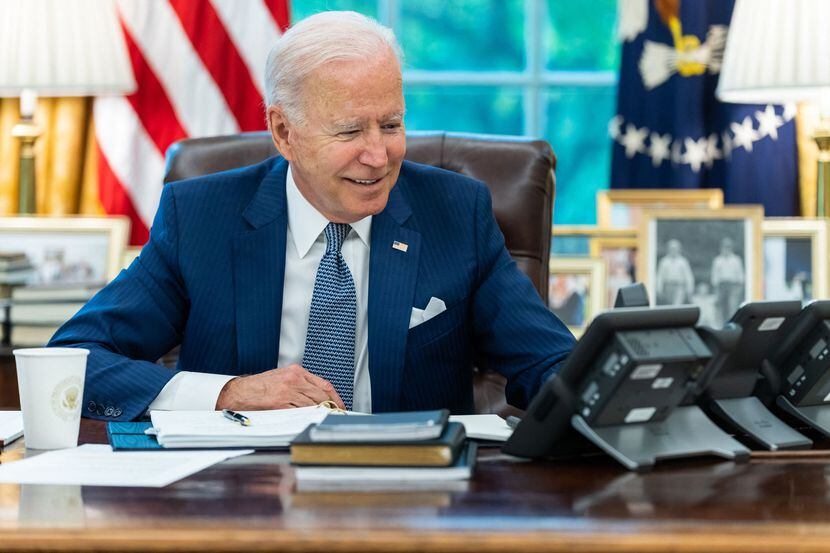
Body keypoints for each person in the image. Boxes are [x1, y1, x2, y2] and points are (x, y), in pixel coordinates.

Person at [49, 11, 575, 421]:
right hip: (240, 496)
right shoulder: (202, 218)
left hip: (411, 500)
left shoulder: (456, 213)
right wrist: (227, 393)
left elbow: (550, 363)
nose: (378, 155)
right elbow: (72, 361)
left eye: (390, 125)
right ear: (284, 133)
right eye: (349, 132)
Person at [710, 237, 744, 325]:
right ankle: (720, 325)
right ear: (721, 248)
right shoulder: (718, 260)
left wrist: (739, 286)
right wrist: (716, 287)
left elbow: (740, 274)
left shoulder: (736, 259)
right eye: (724, 247)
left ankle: (731, 324)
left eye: (728, 247)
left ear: (731, 248)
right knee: (720, 306)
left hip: (733, 285)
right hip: (721, 285)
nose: (726, 249)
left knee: (732, 306)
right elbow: (715, 274)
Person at [655, 239, 694, 305]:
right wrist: (659, 289)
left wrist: (689, 289)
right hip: (668, 286)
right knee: (669, 306)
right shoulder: (664, 261)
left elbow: (688, 276)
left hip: (679, 286)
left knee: (677, 305)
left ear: (679, 249)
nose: (673, 250)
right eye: (671, 248)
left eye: (675, 248)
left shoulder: (683, 261)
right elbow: (660, 276)